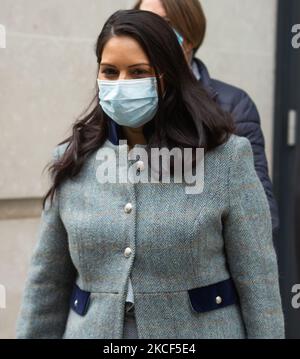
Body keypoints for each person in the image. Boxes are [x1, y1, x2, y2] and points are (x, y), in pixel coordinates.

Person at [16, 9, 285, 339]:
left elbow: (258, 281)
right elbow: (46, 284)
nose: (121, 84)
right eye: (110, 72)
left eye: (138, 72)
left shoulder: (225, 158)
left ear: (168, 76)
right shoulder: (74, 160)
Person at [134, 0, 280, 239]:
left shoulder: (233, 106)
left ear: (189, 37)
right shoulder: (123, 100)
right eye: (143, 24)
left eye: (164, 24)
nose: (150, 34)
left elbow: (260, 213)